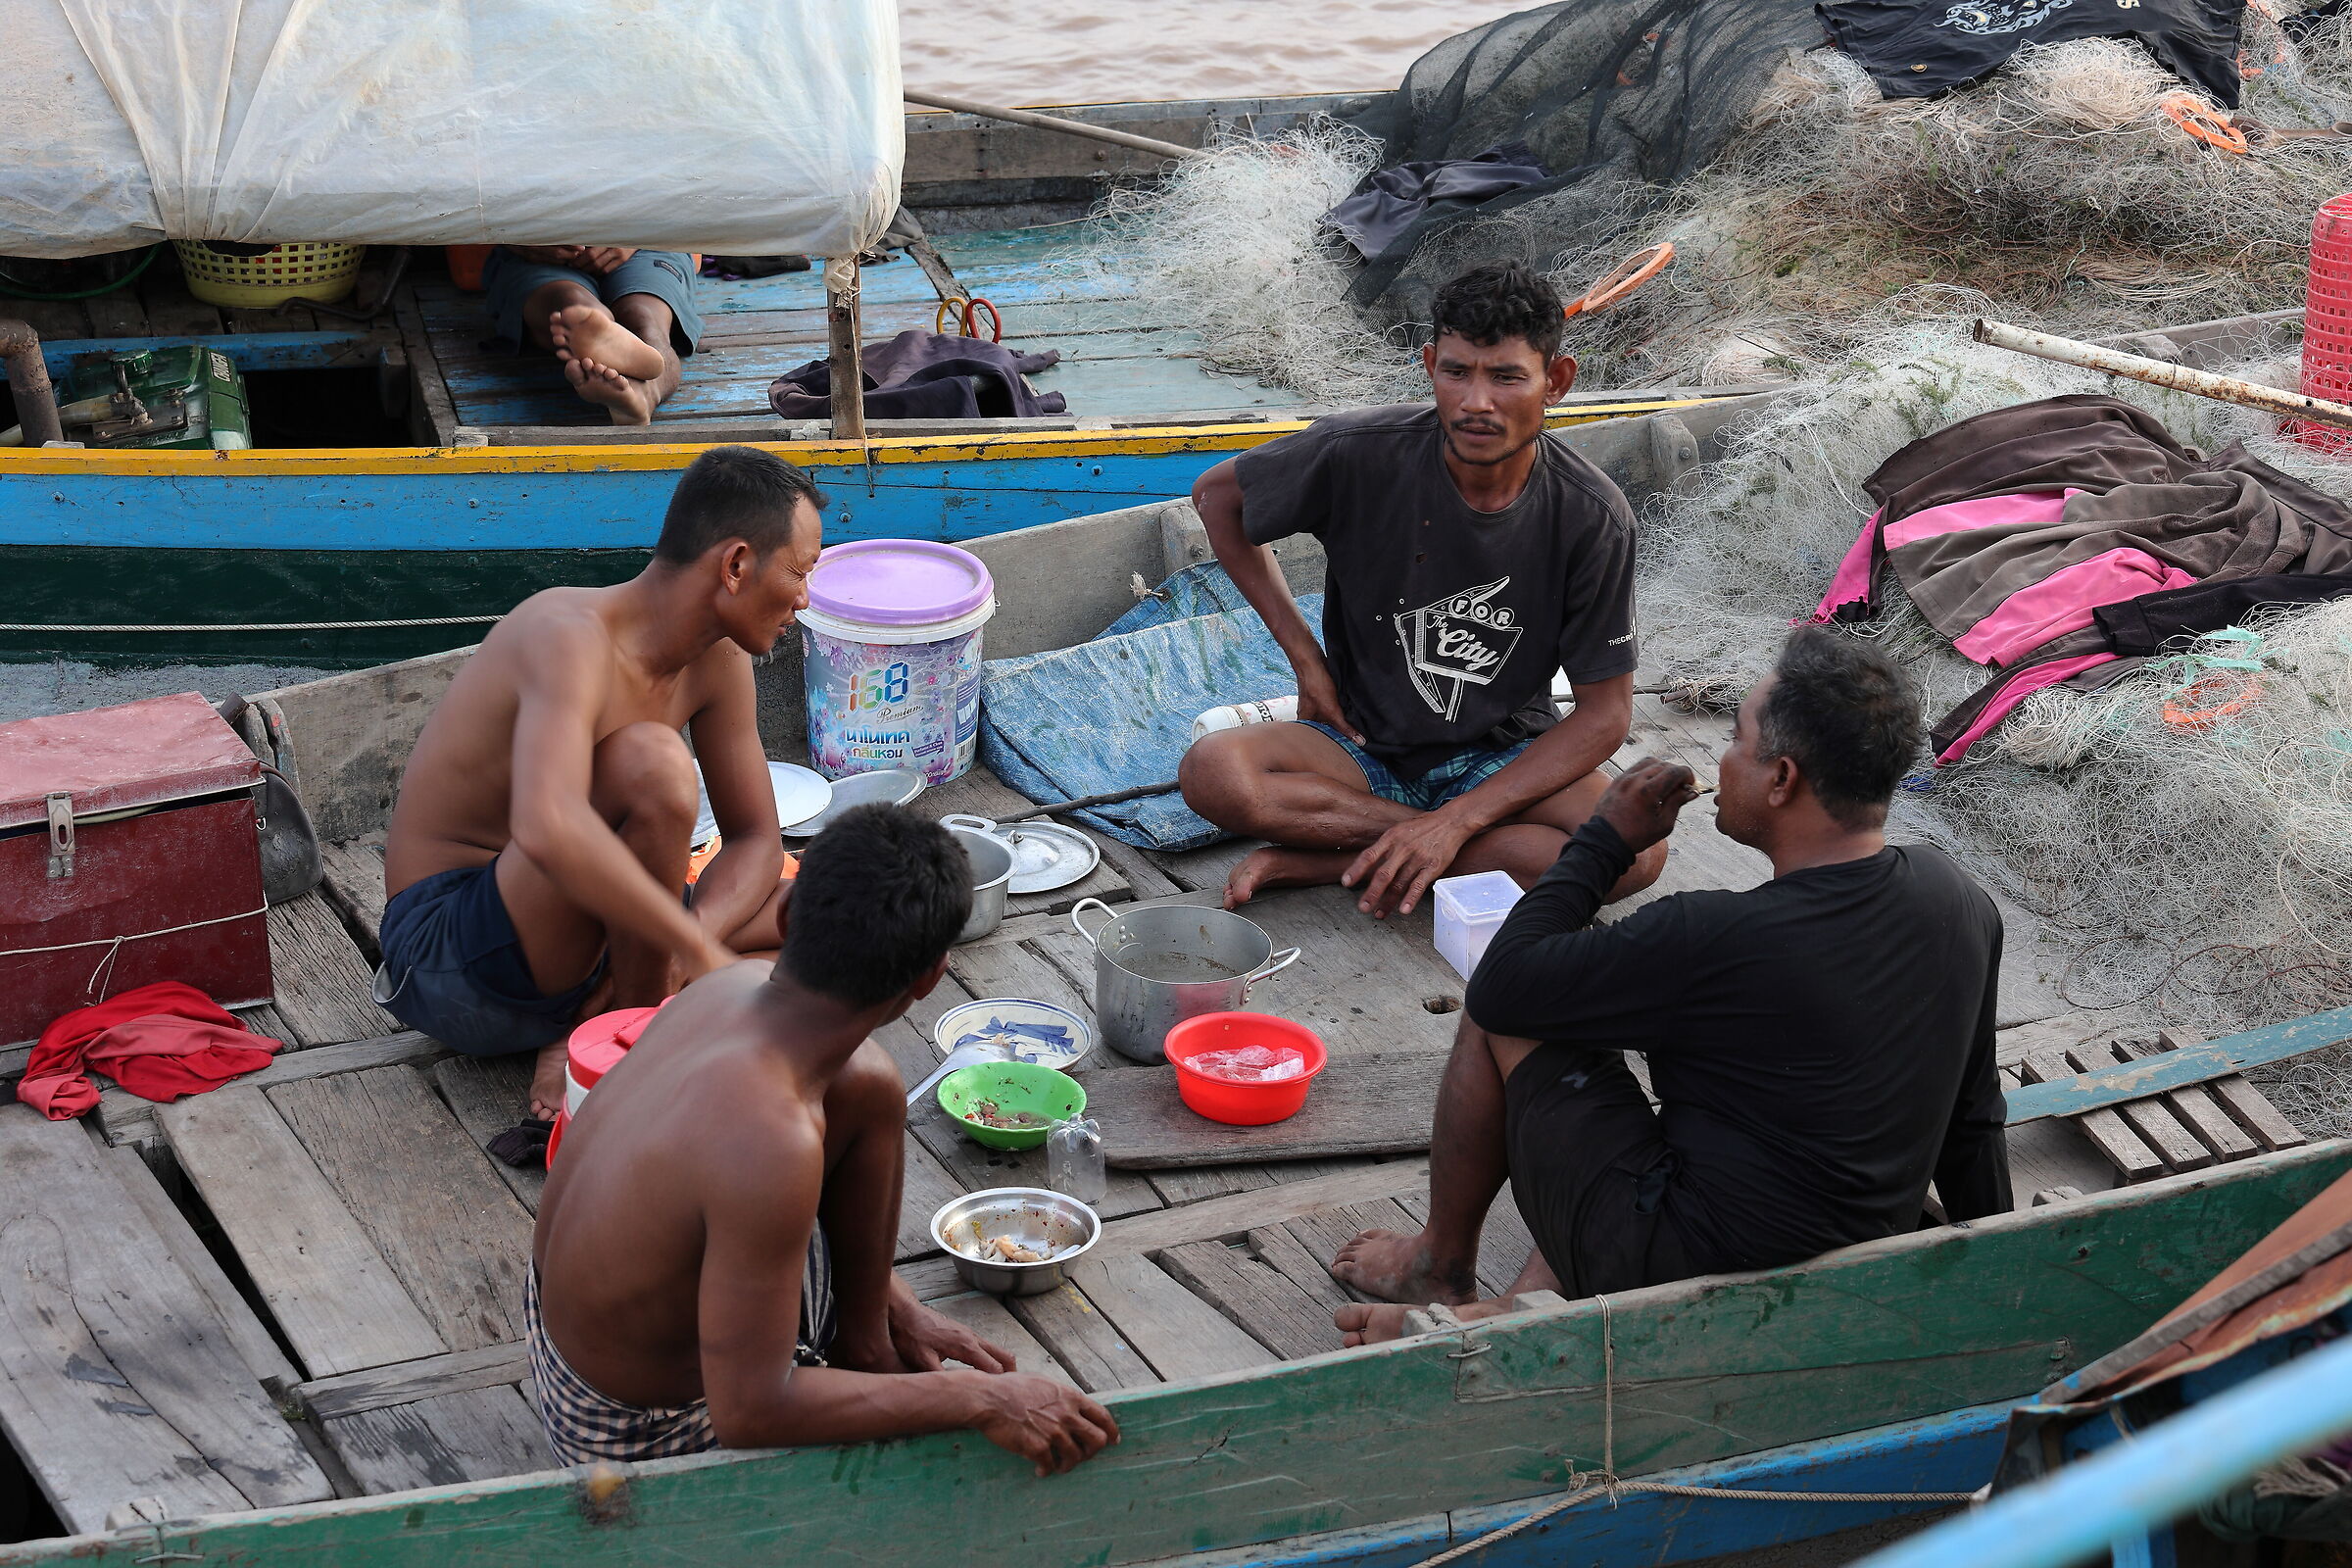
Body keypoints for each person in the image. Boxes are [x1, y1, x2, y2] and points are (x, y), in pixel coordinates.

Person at [1329, 628, 2012, 1343]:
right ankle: (1516, 1302)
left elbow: (1502, 988)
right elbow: (1974, 1116)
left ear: (1781, 780)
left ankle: (1438, 1266)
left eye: (1738, 740)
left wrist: (1604, 840)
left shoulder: (1710, 934)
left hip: (1680, 1278)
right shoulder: (1959, 900)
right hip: (1851, 1266)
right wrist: (1999, 1266)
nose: (1721, 757)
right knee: (1595, 1000)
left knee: (1522, 1000)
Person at [528, 805, 1118, 1472]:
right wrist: (979, 1396)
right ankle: (858, 1371)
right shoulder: (772, 1143)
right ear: (930, 979)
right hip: (628, 1427)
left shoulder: (726, 984)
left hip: (578, 1315)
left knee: (870, 1082)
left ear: (784, 917)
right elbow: (750, 1412)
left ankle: (863, 1343)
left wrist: (897, 1306)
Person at [1177, 260, 1664, 919]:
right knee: (1213, 771)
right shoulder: (1360, 451)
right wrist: (1306, 661)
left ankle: (1341, 857)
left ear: (1557, 381)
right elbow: (1217, 499)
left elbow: (1606, 715)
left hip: (1501, 752)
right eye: (1456, 371)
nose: (1476, 402)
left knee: (1636, 853)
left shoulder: (1591, 515)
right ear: (1430, 363)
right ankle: (1412, 840)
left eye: (1506, 377)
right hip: (1359, 743)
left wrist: (1459, 818)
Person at [378, 445, 819, 1121]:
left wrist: (686, 939)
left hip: (602, 942)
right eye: (799, 572)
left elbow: (758, 840)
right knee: (653, 765)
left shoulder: (719, 660)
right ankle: (628, 1046)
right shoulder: (569, 634)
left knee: (831, 911)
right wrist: (697, 947)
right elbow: (548, 827)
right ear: (735, 566)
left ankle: (612, 1010)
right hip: (455, 957)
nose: (805, 599)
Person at [482, 245, 703, 425]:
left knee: (566, 302)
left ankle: (593, 320)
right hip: (539, 248)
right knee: (647, 319)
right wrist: (519, 240)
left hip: (645, 241)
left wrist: (634, 237)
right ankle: (644, 392)